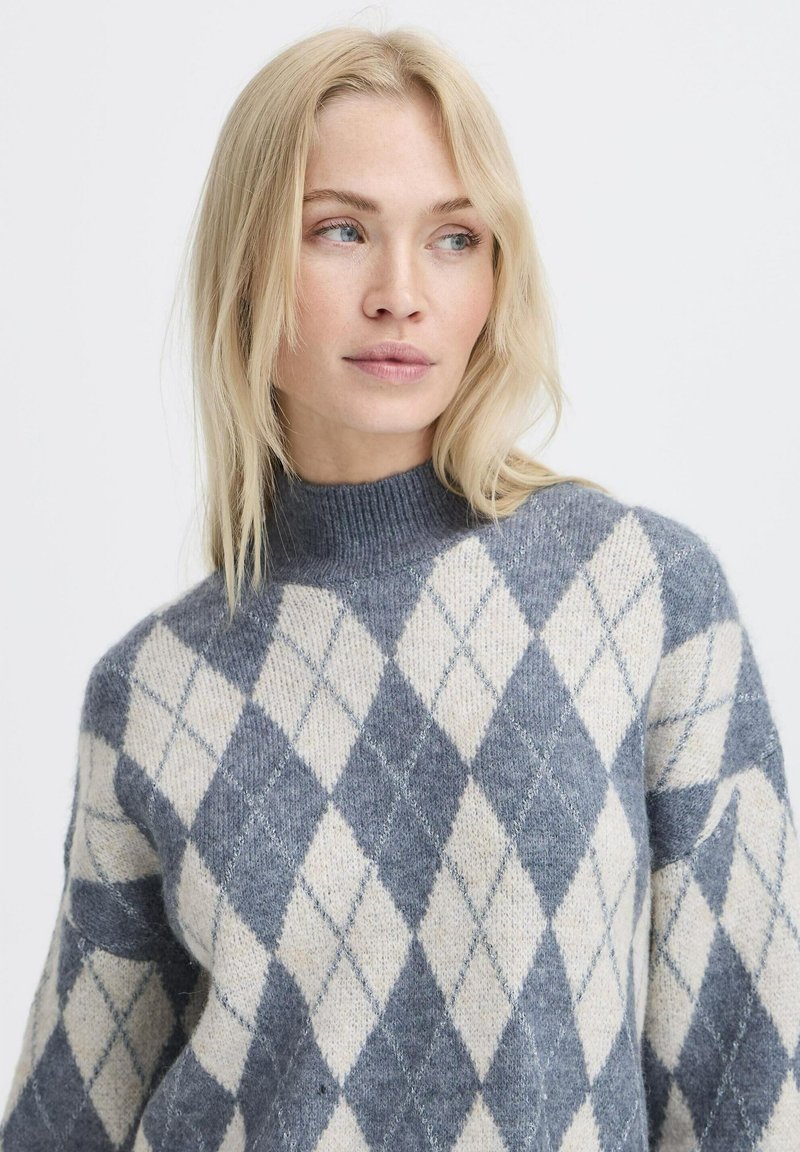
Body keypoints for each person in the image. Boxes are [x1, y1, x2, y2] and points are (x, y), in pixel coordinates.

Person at [1, 23, 797, 1152]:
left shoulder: (641, 595)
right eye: (339, 230)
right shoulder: (154, 691)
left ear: (496, 276)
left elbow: (748, 1072)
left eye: (453, 238)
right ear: (245, 268)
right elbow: (68, 1114)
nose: (401, 294)